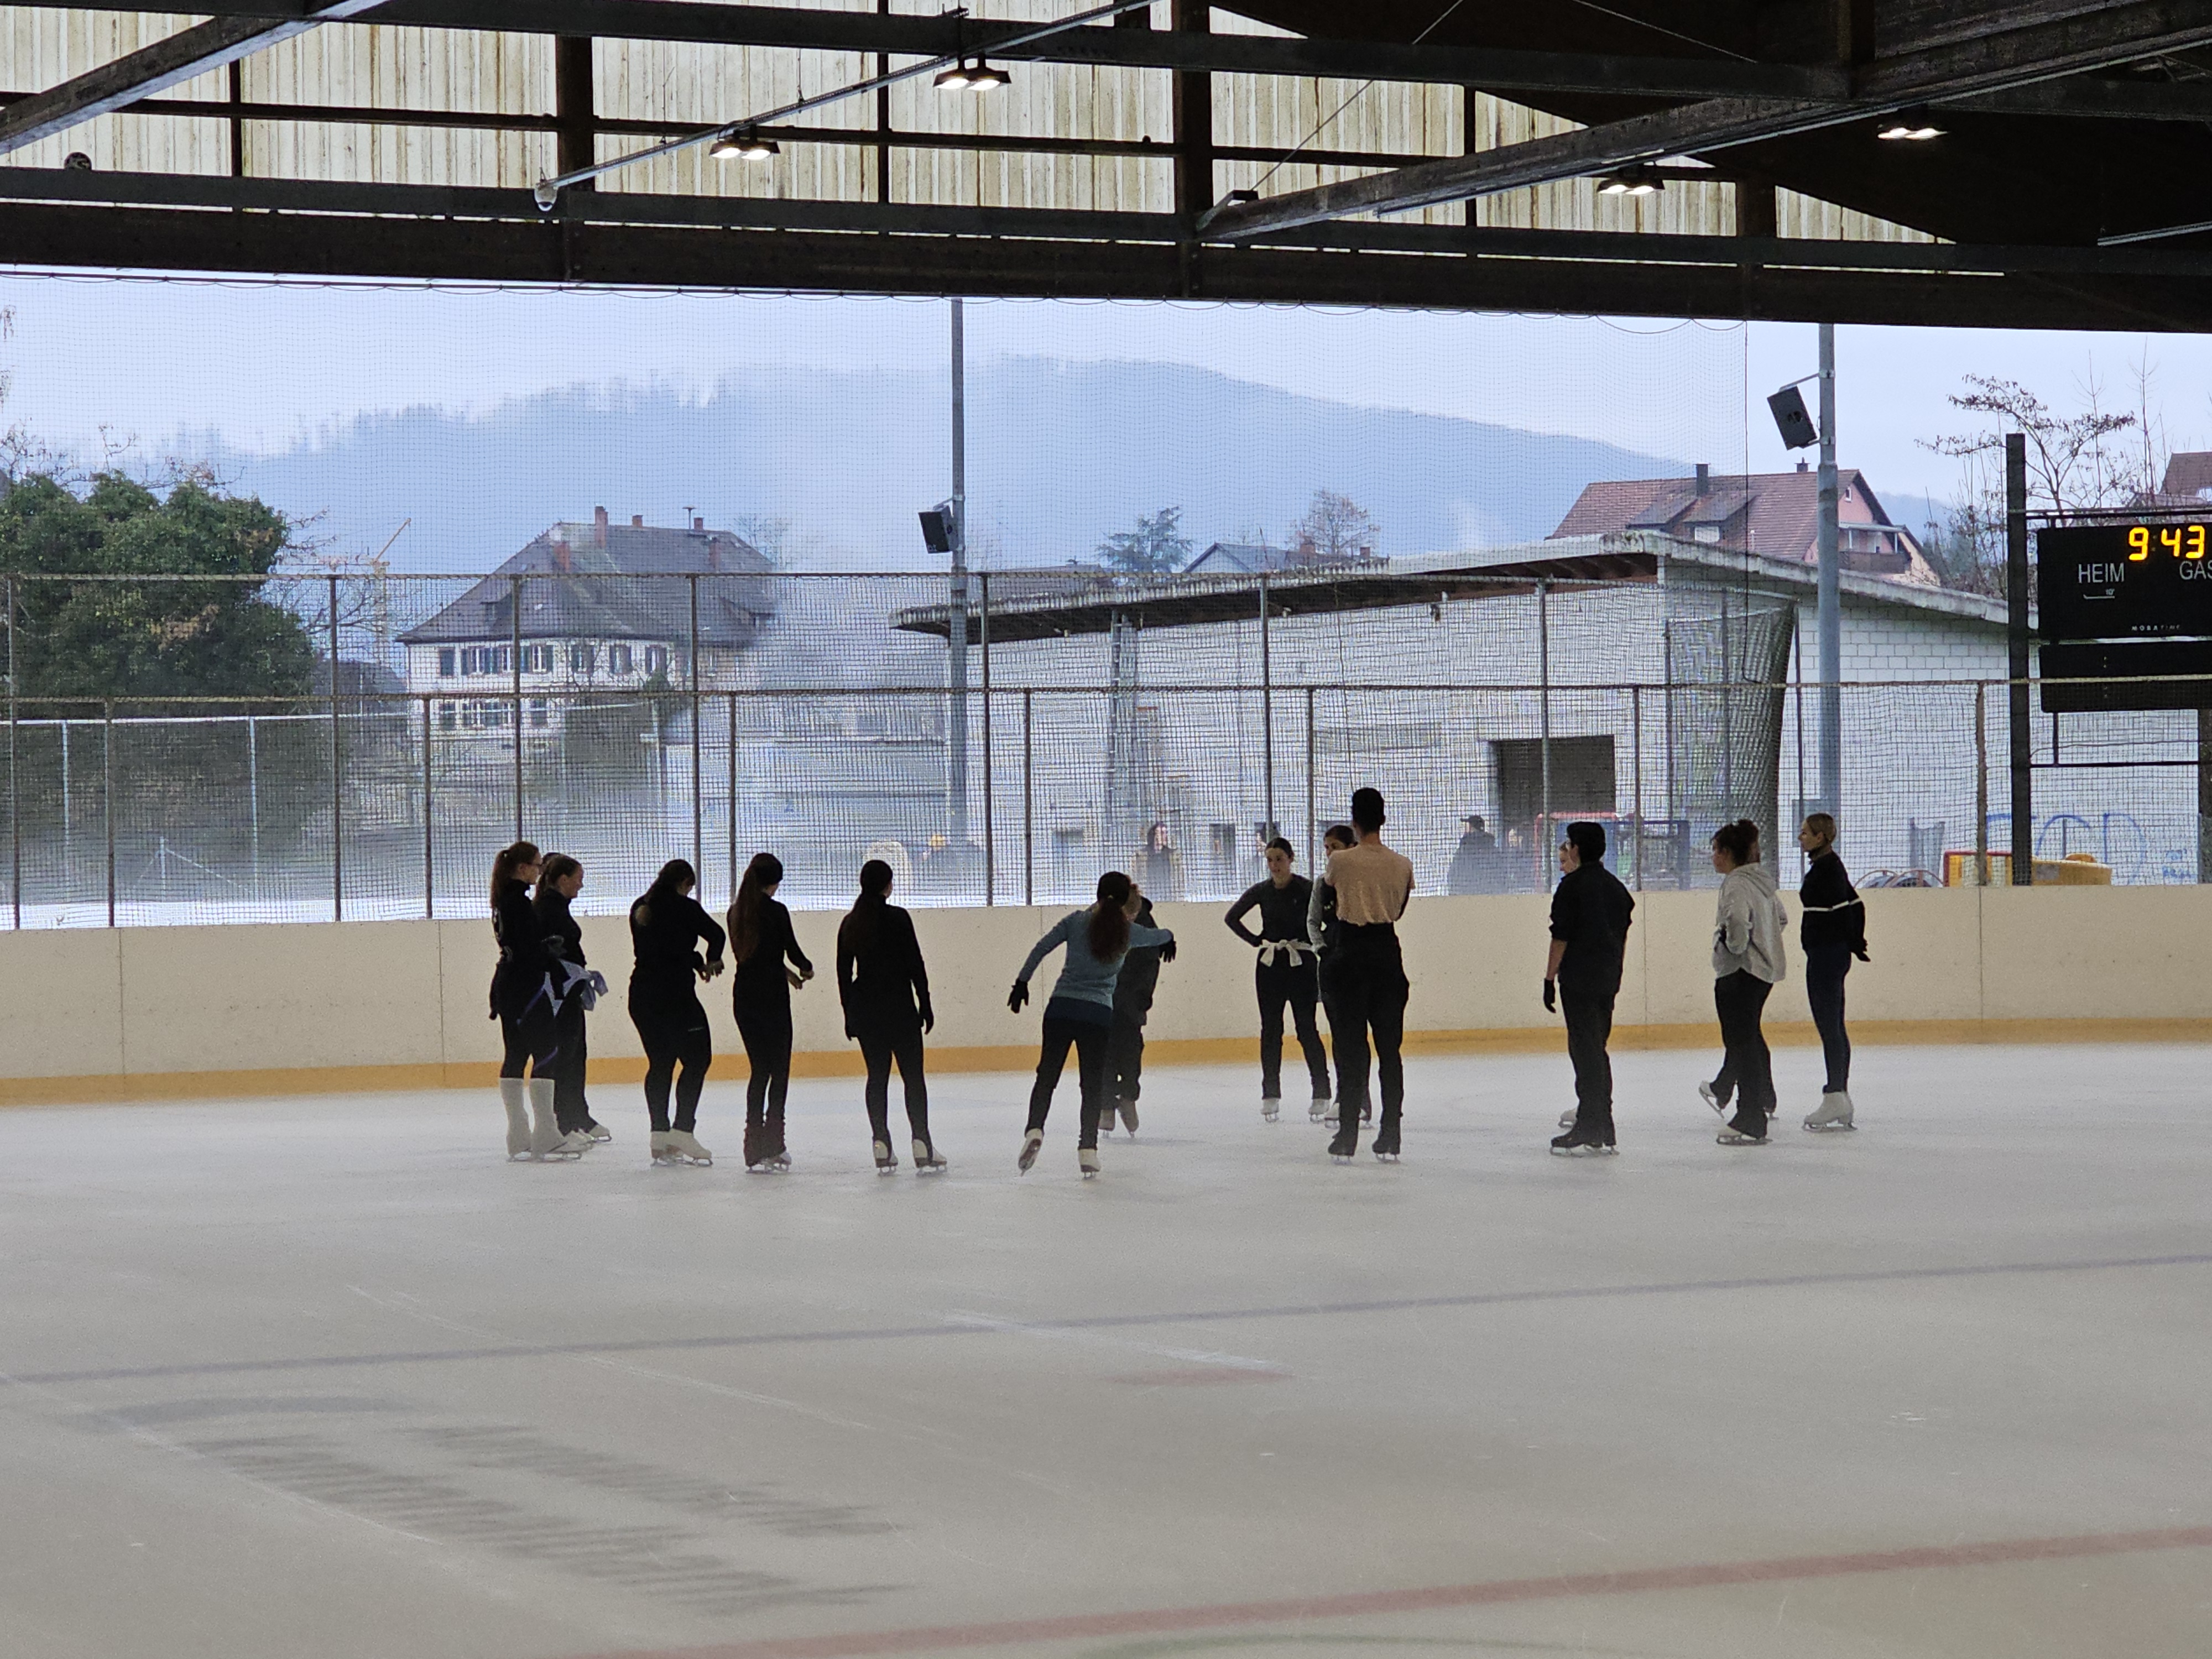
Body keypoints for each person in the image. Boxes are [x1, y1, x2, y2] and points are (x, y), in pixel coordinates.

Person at [1008, 872, 1173, 1179]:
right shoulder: (1130, 932)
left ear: (1097, 895)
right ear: (1125, 901)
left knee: (1047, 1077)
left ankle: (1035, 1129)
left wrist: (1022, 982)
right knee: (1091, 1085)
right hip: (1097, 1015)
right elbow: (1160, 935)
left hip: (1060, 1009)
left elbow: (1041, 948)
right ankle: (1087, 1150)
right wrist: (1170, 938)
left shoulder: (1076, 921)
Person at [1318, 789, 1414, 1164]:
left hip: (1351, 953)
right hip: (1387, 953)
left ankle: (1347, 1135)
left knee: (1351, 1048)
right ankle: (1391, 1134)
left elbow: (1330, 896)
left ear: (1354, 821)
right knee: (1390, 1050)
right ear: (1383, 820)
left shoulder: (1340, 861)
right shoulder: (1402, 864)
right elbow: (1399, 910)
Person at [836, 859, 945, 1175]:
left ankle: (881, 1143)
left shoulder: (851, 923)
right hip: (900, 1009)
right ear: (887, 885)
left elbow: (844, 975)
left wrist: (849, 1013)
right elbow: (915, 965)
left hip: (867, 1011)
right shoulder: (899, 918)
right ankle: (922, 1143)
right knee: (913, 1078)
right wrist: (925, 1003)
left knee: (877, 1077)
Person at [1543, 821, 1635, 1155]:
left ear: (1578, 849)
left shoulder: (1572, 887)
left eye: (1569, 844)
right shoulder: (1616, 888)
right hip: (1607, 979)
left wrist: (1549, 979)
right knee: (1597, 1049)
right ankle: (1601, 1124)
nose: (1567, 849)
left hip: (1579, 980)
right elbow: (1621, 935)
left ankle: (1591, 1124)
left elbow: (1561, 937)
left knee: (1585, 1053)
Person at [627, 858, 725, 1167]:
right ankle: (683, 1129)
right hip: (675, 997)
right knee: (698, 1059)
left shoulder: (641, 906)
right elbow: (717, 934)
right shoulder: (685, 908)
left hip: (642, 995)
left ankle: (659, 1134)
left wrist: (694, 961)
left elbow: (664, 947)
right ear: (685, 884)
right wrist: (712, 960)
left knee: (660, 1062)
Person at [1227, 837, 1330, 1122]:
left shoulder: (1307, 889)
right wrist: (1256, 941)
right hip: (1270, 964)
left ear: (1291, 859)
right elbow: (1232, 918)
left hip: (1301, 964)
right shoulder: (1262, 890)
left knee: (1306, 1028)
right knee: (1270, 1029)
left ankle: (1321, 1091)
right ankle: (1270, 1093)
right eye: (1270, 860)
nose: (1274, 865)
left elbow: (1325, 919)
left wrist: (1318, 942)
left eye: (1279, 859)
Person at [1701, 819, 1788, 1146]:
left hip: (1739, 972)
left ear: (1727, 853)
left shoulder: (1736, 883)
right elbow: (1781, 918)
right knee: (1748, 1039)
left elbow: (1737, 919)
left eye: (1715, 850)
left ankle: (1750, 1116)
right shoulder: (1761, 882)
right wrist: (1764, 941)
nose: (1713, 856)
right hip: (1761, 973)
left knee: (1740, 1042)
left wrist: (1736, 947)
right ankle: (1760, 1099)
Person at [727, 852, 814, 1171]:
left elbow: (756, 957)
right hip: (772, 1000)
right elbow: (791, 950)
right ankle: (775, 1142)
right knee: (779, 1071)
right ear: (774, 882)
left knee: (759, 1070)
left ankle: (752, 1144)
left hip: (745, 997)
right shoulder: (777, 911)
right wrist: (805, 968)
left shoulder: (736, 912)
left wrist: (786, 973)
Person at [488, 839, 572, 1161]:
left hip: (508, 987)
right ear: (522, 868)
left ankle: (518, 1133)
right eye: (537, 865)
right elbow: (528, 951)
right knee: (547, 1051)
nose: (540, 871)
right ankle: (546, 1131)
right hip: (526, 988)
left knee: (516, 1054)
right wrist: (549, 955)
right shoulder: (519, 904)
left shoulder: (502, 901)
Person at [1797, 812, 1867, 1132]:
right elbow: (1856, 905)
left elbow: (1848, 910)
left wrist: (1849, 941)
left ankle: (1836, 1093)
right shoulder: (1828, 867)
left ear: (1821, 837)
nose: (1801, 837)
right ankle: (1839, 1095)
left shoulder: (1828, 870)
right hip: (1829, 954)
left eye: (1806, 833)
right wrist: (1851, 942)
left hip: (1827, 956)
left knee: (1829, 1026)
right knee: (1833, 1025)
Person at [533, 854, 605, 1154]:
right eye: (578, 879)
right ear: (563, 880)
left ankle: (574, 1118)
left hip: (568, 989)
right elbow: (552, 954)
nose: (581, 885)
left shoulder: (556, 906)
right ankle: (563, 1123)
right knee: (566, 1055)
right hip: (559, 992)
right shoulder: (549, 909)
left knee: (575, 1054)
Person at [1105, 889, 1174, 1135]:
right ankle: (1106, 1104)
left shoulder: (1145, 924)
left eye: (1132, 914)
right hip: (1105, 998)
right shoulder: (1101, 920)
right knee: (1105, 1052)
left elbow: (1150, 967)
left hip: (1132, 1001)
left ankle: (1128, 1097)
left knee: (1131, 1051)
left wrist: (1141, 1000)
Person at [1305, 822, 1358, 1125]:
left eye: (1335, 847)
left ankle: (1360, 1099)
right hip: (1331, 961)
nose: (1329, 853)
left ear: (1351, 849)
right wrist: (1321, 949)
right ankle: (1343, 1096)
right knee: (1339, 1033)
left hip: (1357, 960)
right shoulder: (1321, 884)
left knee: (1357, 1035)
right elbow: (1313, 922)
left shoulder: (1360, 881)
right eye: (1326, 848)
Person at [1447, 813, 1497, 896]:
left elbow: (1454, 874)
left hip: (1466, 896)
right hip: (1489, 897)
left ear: (1470, 828)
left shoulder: (1464, 850)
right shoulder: (1493, 850)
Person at [1138, 820, 1182, 902]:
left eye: (1165, 833)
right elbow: (1137, 876)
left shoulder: (1174, 855)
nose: (1164, 836)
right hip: (1148, 895)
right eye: (1160, 833)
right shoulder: (1142, 855)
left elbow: (1179, 878)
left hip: (1168, 896)